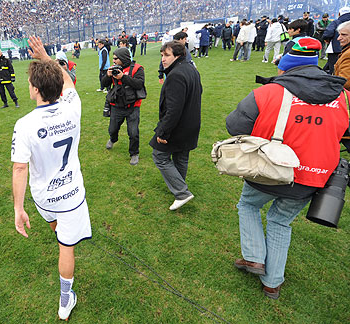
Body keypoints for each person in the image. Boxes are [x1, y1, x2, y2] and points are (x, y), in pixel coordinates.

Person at [226, 37, 349, 299]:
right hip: (313, 178)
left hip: (269, 171)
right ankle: (272, 283)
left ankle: (254, 257)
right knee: (280, 221)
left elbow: (235, 126)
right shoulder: (344, 98)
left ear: (286, 65)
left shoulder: (267, 92)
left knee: (248, 205)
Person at [11, 35, 92, 321]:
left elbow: (20, 168)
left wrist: (19, 209)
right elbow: (68, 82)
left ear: (34, 89)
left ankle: (65, 296)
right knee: (65, 246)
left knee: (60, 235)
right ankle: (65, 298)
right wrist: (47, 58)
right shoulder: (72, 105)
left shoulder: (24, 125)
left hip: (43, 196)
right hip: (70, 193)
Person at [149, 41, 202, 211]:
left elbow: (173, 109)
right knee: (181, 156)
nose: (163, 59)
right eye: (162, 55)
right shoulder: (191, 69)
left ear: (178, 56)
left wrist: (163, 132)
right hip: (190, 124)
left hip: (178, 126)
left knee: (159, 156)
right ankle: (180, 187)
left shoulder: (176, 75)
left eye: (167, 55)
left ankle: (181, 192)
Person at [102, 47, 145, 166]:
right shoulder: (114, 69)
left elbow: (139, 84)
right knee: (113, 129)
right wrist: (107, 75)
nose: (114, 60)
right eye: (113, 58)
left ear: (123, 58)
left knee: (133, 132)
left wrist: (123, 77)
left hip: (133, 106)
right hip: (116, 105)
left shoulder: (137, 69)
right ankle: (113, 139)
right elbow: (103, 84)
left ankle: (134, 154)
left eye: (116, 58)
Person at [324, 7, 350, 74]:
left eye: (343, 34)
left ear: (339, 13)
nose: (339, 37)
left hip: (335, 49)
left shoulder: (336, 22)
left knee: (334, 69)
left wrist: (326, 39)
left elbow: (328, 33)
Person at [334, 21, 350, 90]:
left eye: (344, 35)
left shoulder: (348, 54)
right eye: (339, 34)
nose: (339, 38)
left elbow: (345, 82)